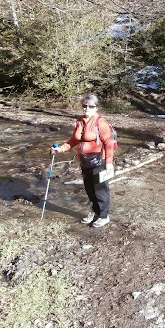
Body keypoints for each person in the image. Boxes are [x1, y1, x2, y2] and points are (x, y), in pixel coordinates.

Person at [52, 93, 115, 228]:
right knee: (89, 189)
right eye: (84, 106)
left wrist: (109, 164)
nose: (87, 108)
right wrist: (61, 149)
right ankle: (95, 211)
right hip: (85, 161)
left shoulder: (101, 123)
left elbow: (109, 144)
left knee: (100, 189)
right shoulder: (80, 120)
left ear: (96, 107)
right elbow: (74, 140)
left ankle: (104, 216)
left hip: (100, 162)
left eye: (90, 106)